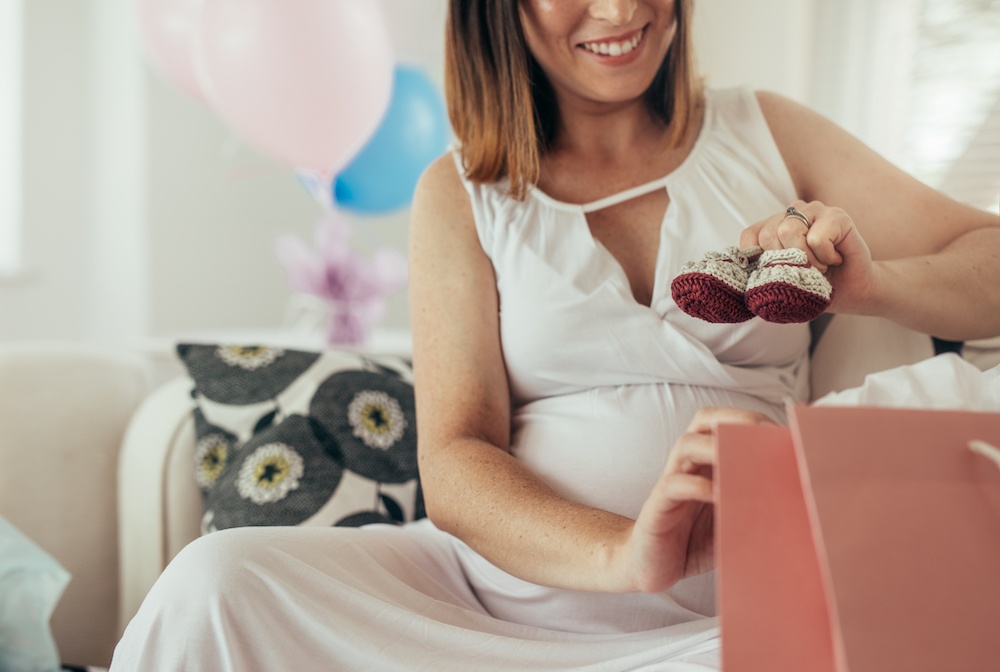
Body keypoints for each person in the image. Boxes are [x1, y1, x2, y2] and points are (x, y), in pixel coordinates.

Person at [109, 1, 1000, 670]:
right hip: (486, 610)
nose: (620, 12)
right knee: (215, 581)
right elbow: (457, 459)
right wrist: (624, 551)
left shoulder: (765, 132)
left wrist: (876, 285)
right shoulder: (460, 192)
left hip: (717, 621)